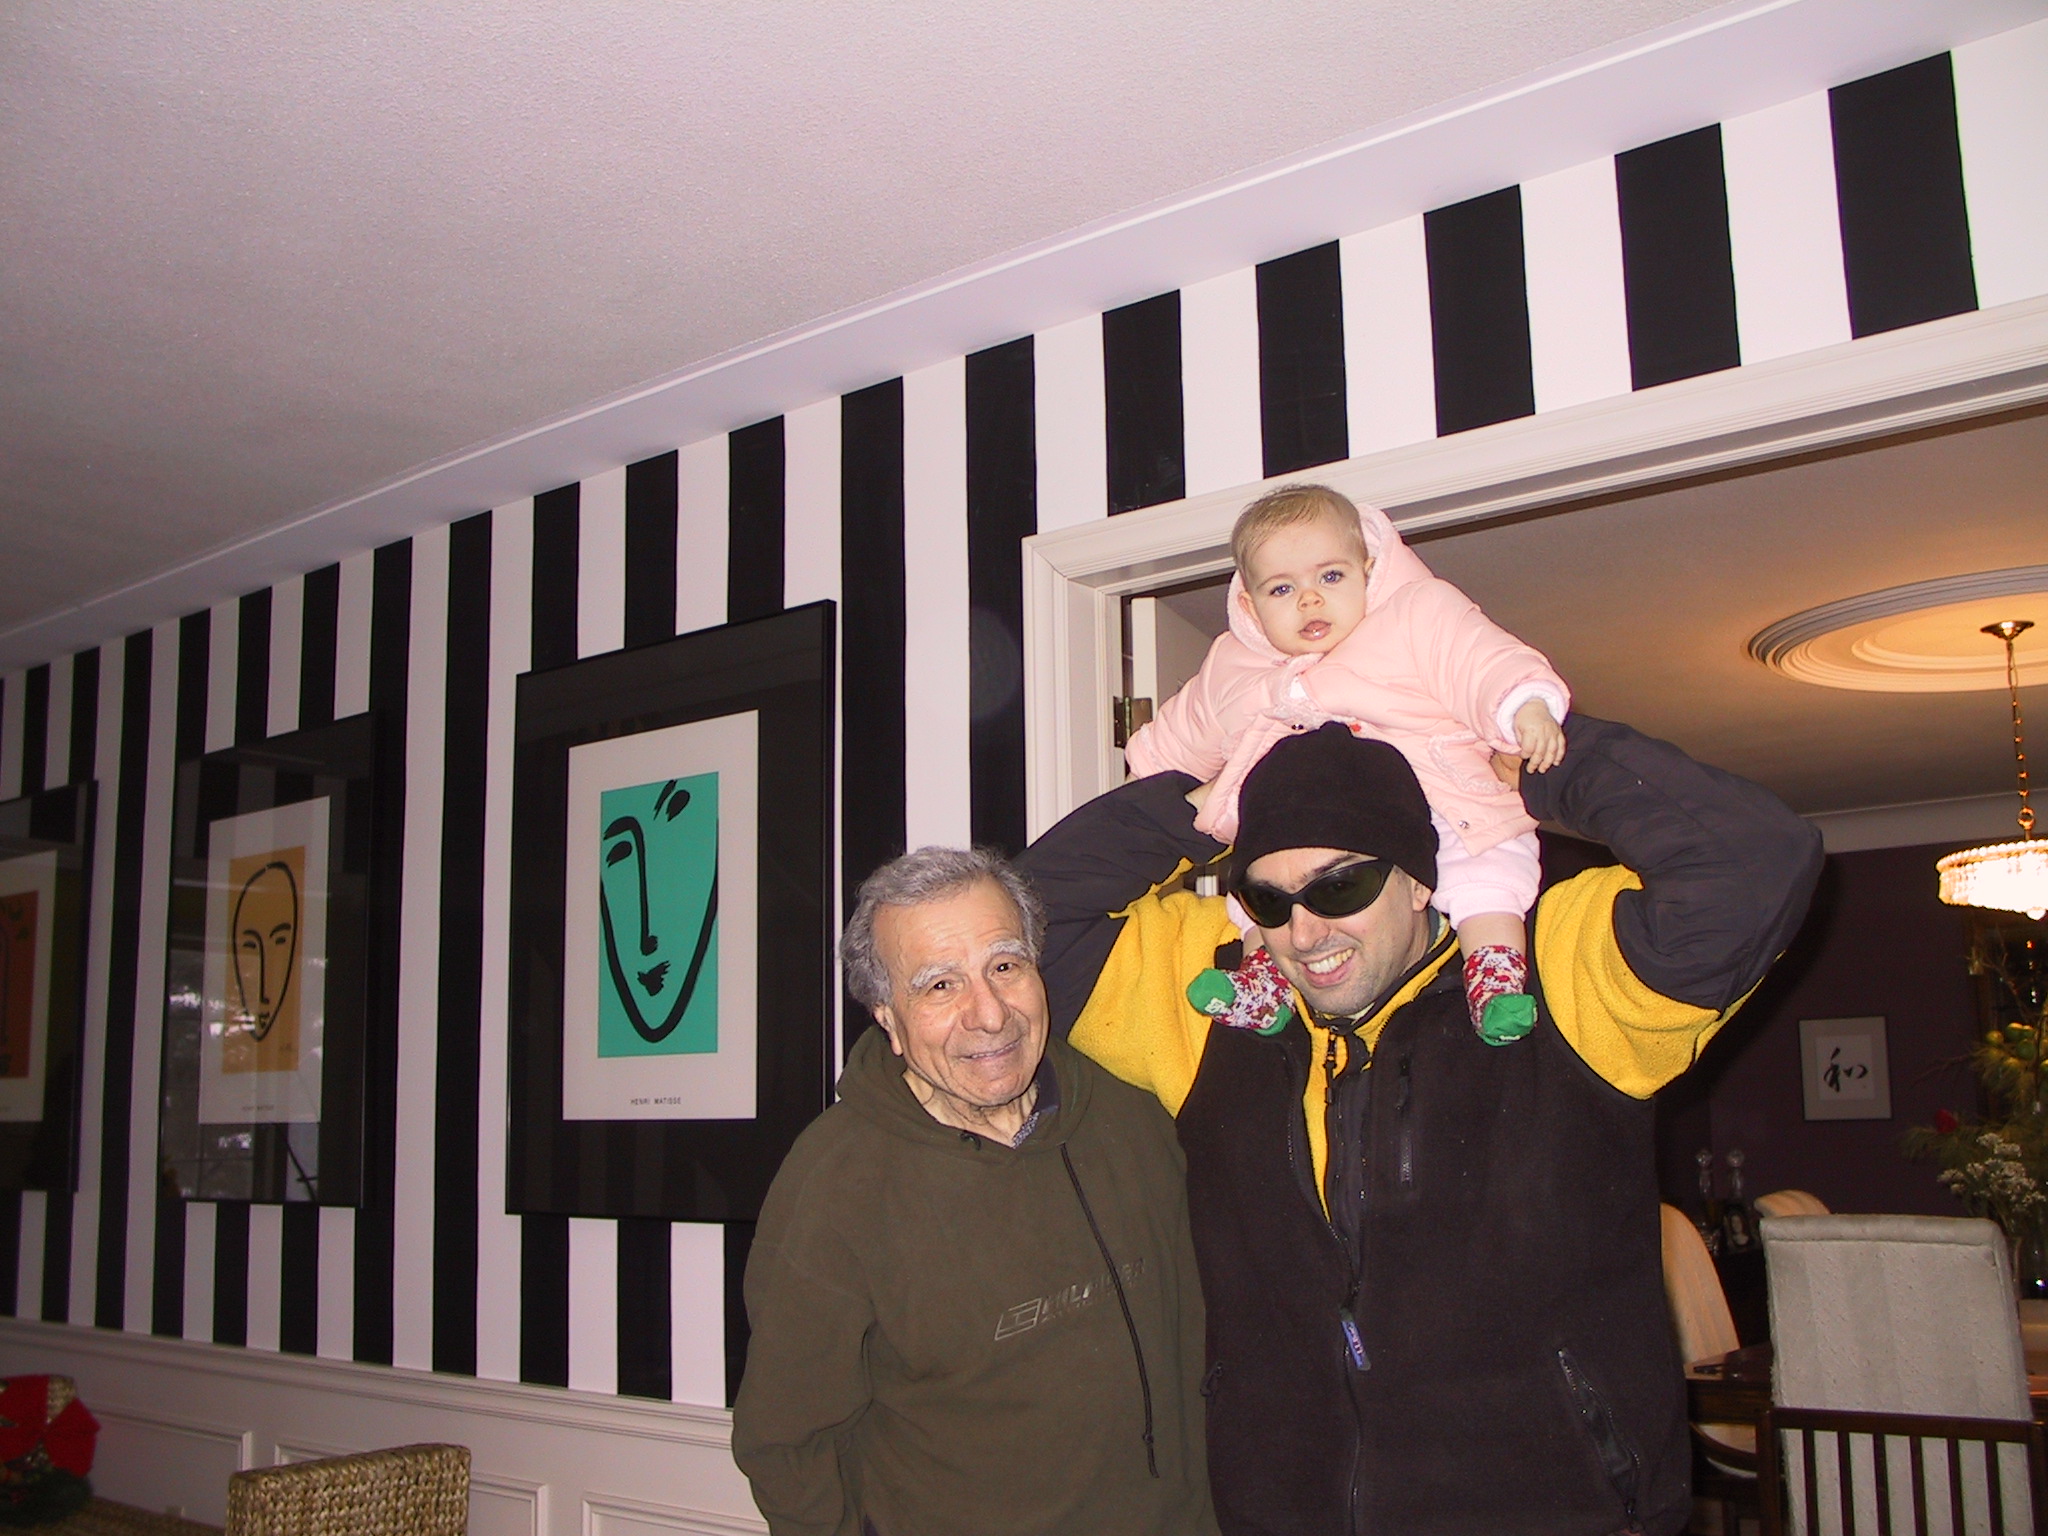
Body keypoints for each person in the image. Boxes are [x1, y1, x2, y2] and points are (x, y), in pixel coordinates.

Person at [1020, 715, 1821, 1536]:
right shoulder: (1217, 999)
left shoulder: (1557, 974)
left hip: (1557, 1510)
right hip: (1284, 1509)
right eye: (1268, 898)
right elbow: (1020, 932)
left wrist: (1536, 756)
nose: (1305, 932)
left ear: (1418, 879)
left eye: (1340, 887)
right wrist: (1198, 808)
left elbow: (1756, 861)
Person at [731, 847, 1219, 1536]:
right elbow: (787, 1443)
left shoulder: (1134, 1115)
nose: (989, 1014)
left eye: (1005, 966)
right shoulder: (835, 1183)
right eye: (940, 985)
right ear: (887, 1018)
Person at [1124, 483, 1569, 1042]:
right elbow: (1183, 731)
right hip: (1302, 819)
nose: (1309, 601)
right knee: (1269, 891)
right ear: (1250, 605)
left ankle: (1495, 977)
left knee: (1486, 870)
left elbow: (1479, 660)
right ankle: (1263, 986)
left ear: (1368, 571)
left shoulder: (1415, 615)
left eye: (1330, 577)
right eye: (1282, 588)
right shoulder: (1232, 665)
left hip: (1442, 790)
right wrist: (1147, 777)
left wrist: (1526, 706)